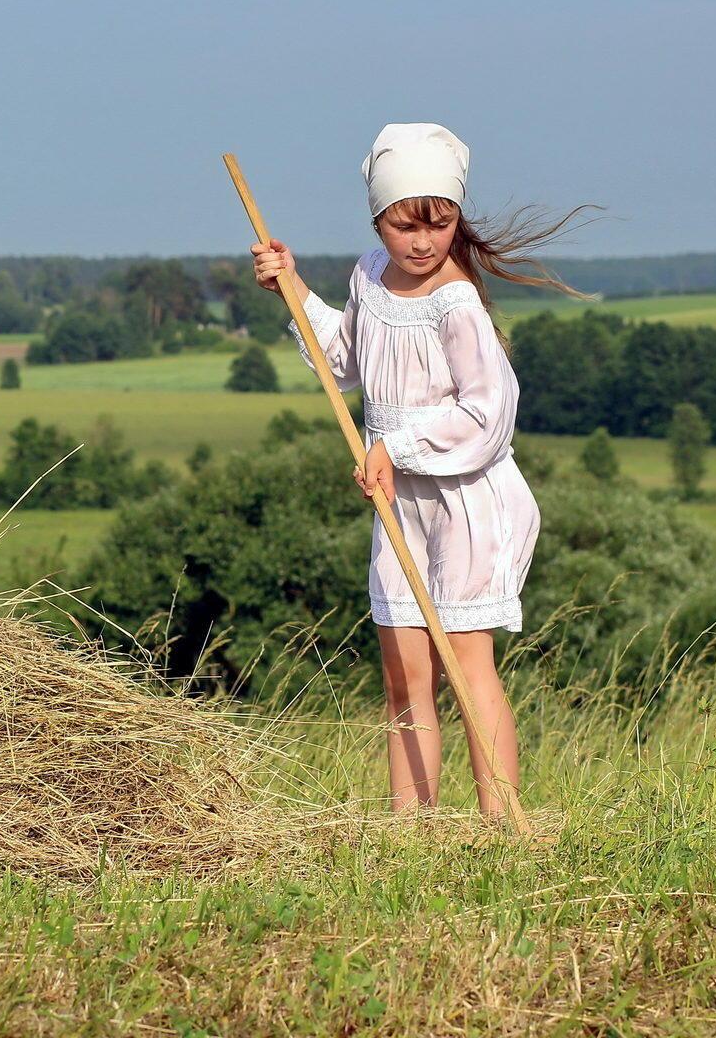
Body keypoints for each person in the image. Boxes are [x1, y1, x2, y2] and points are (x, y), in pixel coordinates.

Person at [250, 122, 597, 817]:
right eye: (404, 224)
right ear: (377, 219)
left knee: (470, 669)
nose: (422, 241)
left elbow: (488, 415)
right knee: (406, 677)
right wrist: (291, 290)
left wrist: (398, 447)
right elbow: (345, 365)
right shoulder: (368, 276)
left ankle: (502, 827)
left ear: (456, 219)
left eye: (438, 224)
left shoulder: (457, 303)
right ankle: (413, 833)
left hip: (465, 500)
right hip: (399, 500)